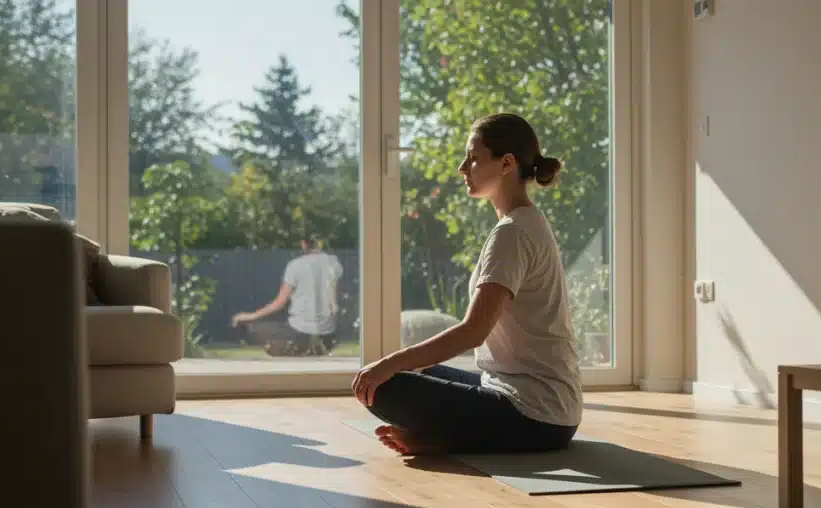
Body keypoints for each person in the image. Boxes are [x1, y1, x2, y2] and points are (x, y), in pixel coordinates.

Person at [352, 112, 582, 456]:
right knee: (422, 368)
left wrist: (390, 363)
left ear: (506, 163)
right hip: (549, 409)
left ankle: (445, 440)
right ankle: (443, 438)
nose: (463, 167)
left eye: (473, 158)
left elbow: (472, 332)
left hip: (534, 416)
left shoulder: (512, 233)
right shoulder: (526, 222)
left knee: (382, 384)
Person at [232, 234, 343, 355]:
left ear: (303, 244)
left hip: (299, 333)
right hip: (326, 338)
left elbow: (280, 303)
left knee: (247, 327)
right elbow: (333, 304)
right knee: (284, 326)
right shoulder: (333, 263)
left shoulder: (295, 265)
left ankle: (289, 347)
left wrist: (250, 316)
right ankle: (310, 348)